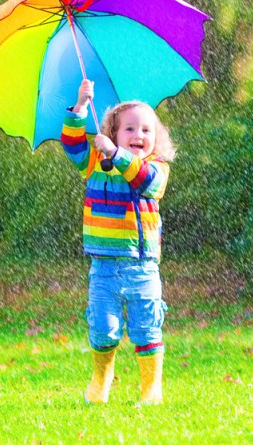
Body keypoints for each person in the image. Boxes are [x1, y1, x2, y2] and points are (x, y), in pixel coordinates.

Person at [61, 79, 175, 405]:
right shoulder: (96, 163)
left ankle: (151, 389)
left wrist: (117, 153)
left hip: (142, 266)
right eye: (129, 129)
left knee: (146, 327)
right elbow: (72, 146)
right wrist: (81, 106)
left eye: (146, 130)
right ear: (113, 131)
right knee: (103, 327)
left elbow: (146, 181)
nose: (139, 135)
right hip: (104, 266)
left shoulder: (156, 167)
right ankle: (101, 378)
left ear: (156, 137)